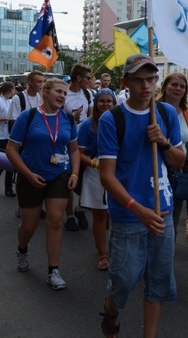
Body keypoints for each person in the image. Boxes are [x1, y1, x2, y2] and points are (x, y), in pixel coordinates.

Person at [98, 54, 184, 338]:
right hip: (129, 215)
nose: (146, 86)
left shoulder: (167, 114)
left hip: (162, 212)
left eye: (151, 79)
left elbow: (179, 162)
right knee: (123, 280)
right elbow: (107, 176)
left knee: (158, 283)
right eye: (139, 80)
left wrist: (164, 141)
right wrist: (137, 209)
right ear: (125, 82)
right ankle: (111, 310)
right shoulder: (113, 119)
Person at [6, 79, 80, 290]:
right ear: (45, 92)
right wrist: (28, 175)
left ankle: (53, 270)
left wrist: (74, 173)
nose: (62, 96)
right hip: (31, 176)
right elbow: (12, 149)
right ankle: (22, 249)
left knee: (55, 220)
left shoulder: (67, 118)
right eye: (58, 91)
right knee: (29, 225)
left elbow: (73, 149)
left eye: (65, 94)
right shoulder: (27, 117)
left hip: (59, 175)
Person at [156, 72, 188, 239]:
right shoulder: (152, 109)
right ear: (165, 86)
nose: (178, 89)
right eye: (174, 85)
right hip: (154, 170)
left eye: (182, 86)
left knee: (172, 220)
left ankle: (166, 257)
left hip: (177, 171)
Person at [78, 89, 116, 271]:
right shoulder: (87, 126)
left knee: (110, 215)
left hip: (117, 174)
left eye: (109, 101)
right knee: (100, 216)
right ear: (96, 103)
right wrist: (95, 163)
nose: (106, 104)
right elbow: (79, 154)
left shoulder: (120, 122)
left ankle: (105, 241)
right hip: (95, 174)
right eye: (102, 101)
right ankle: (102, 254)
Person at [63, 63, 93, 232]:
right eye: (88, 78)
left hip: (83, 144)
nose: (91, 81)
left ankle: (80, 207)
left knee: (84, 177)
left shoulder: (88, 94)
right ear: (79, 78)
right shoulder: (63, 94)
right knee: (69, 179)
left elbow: (90, 117)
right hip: (66, 144)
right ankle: (69, 216)